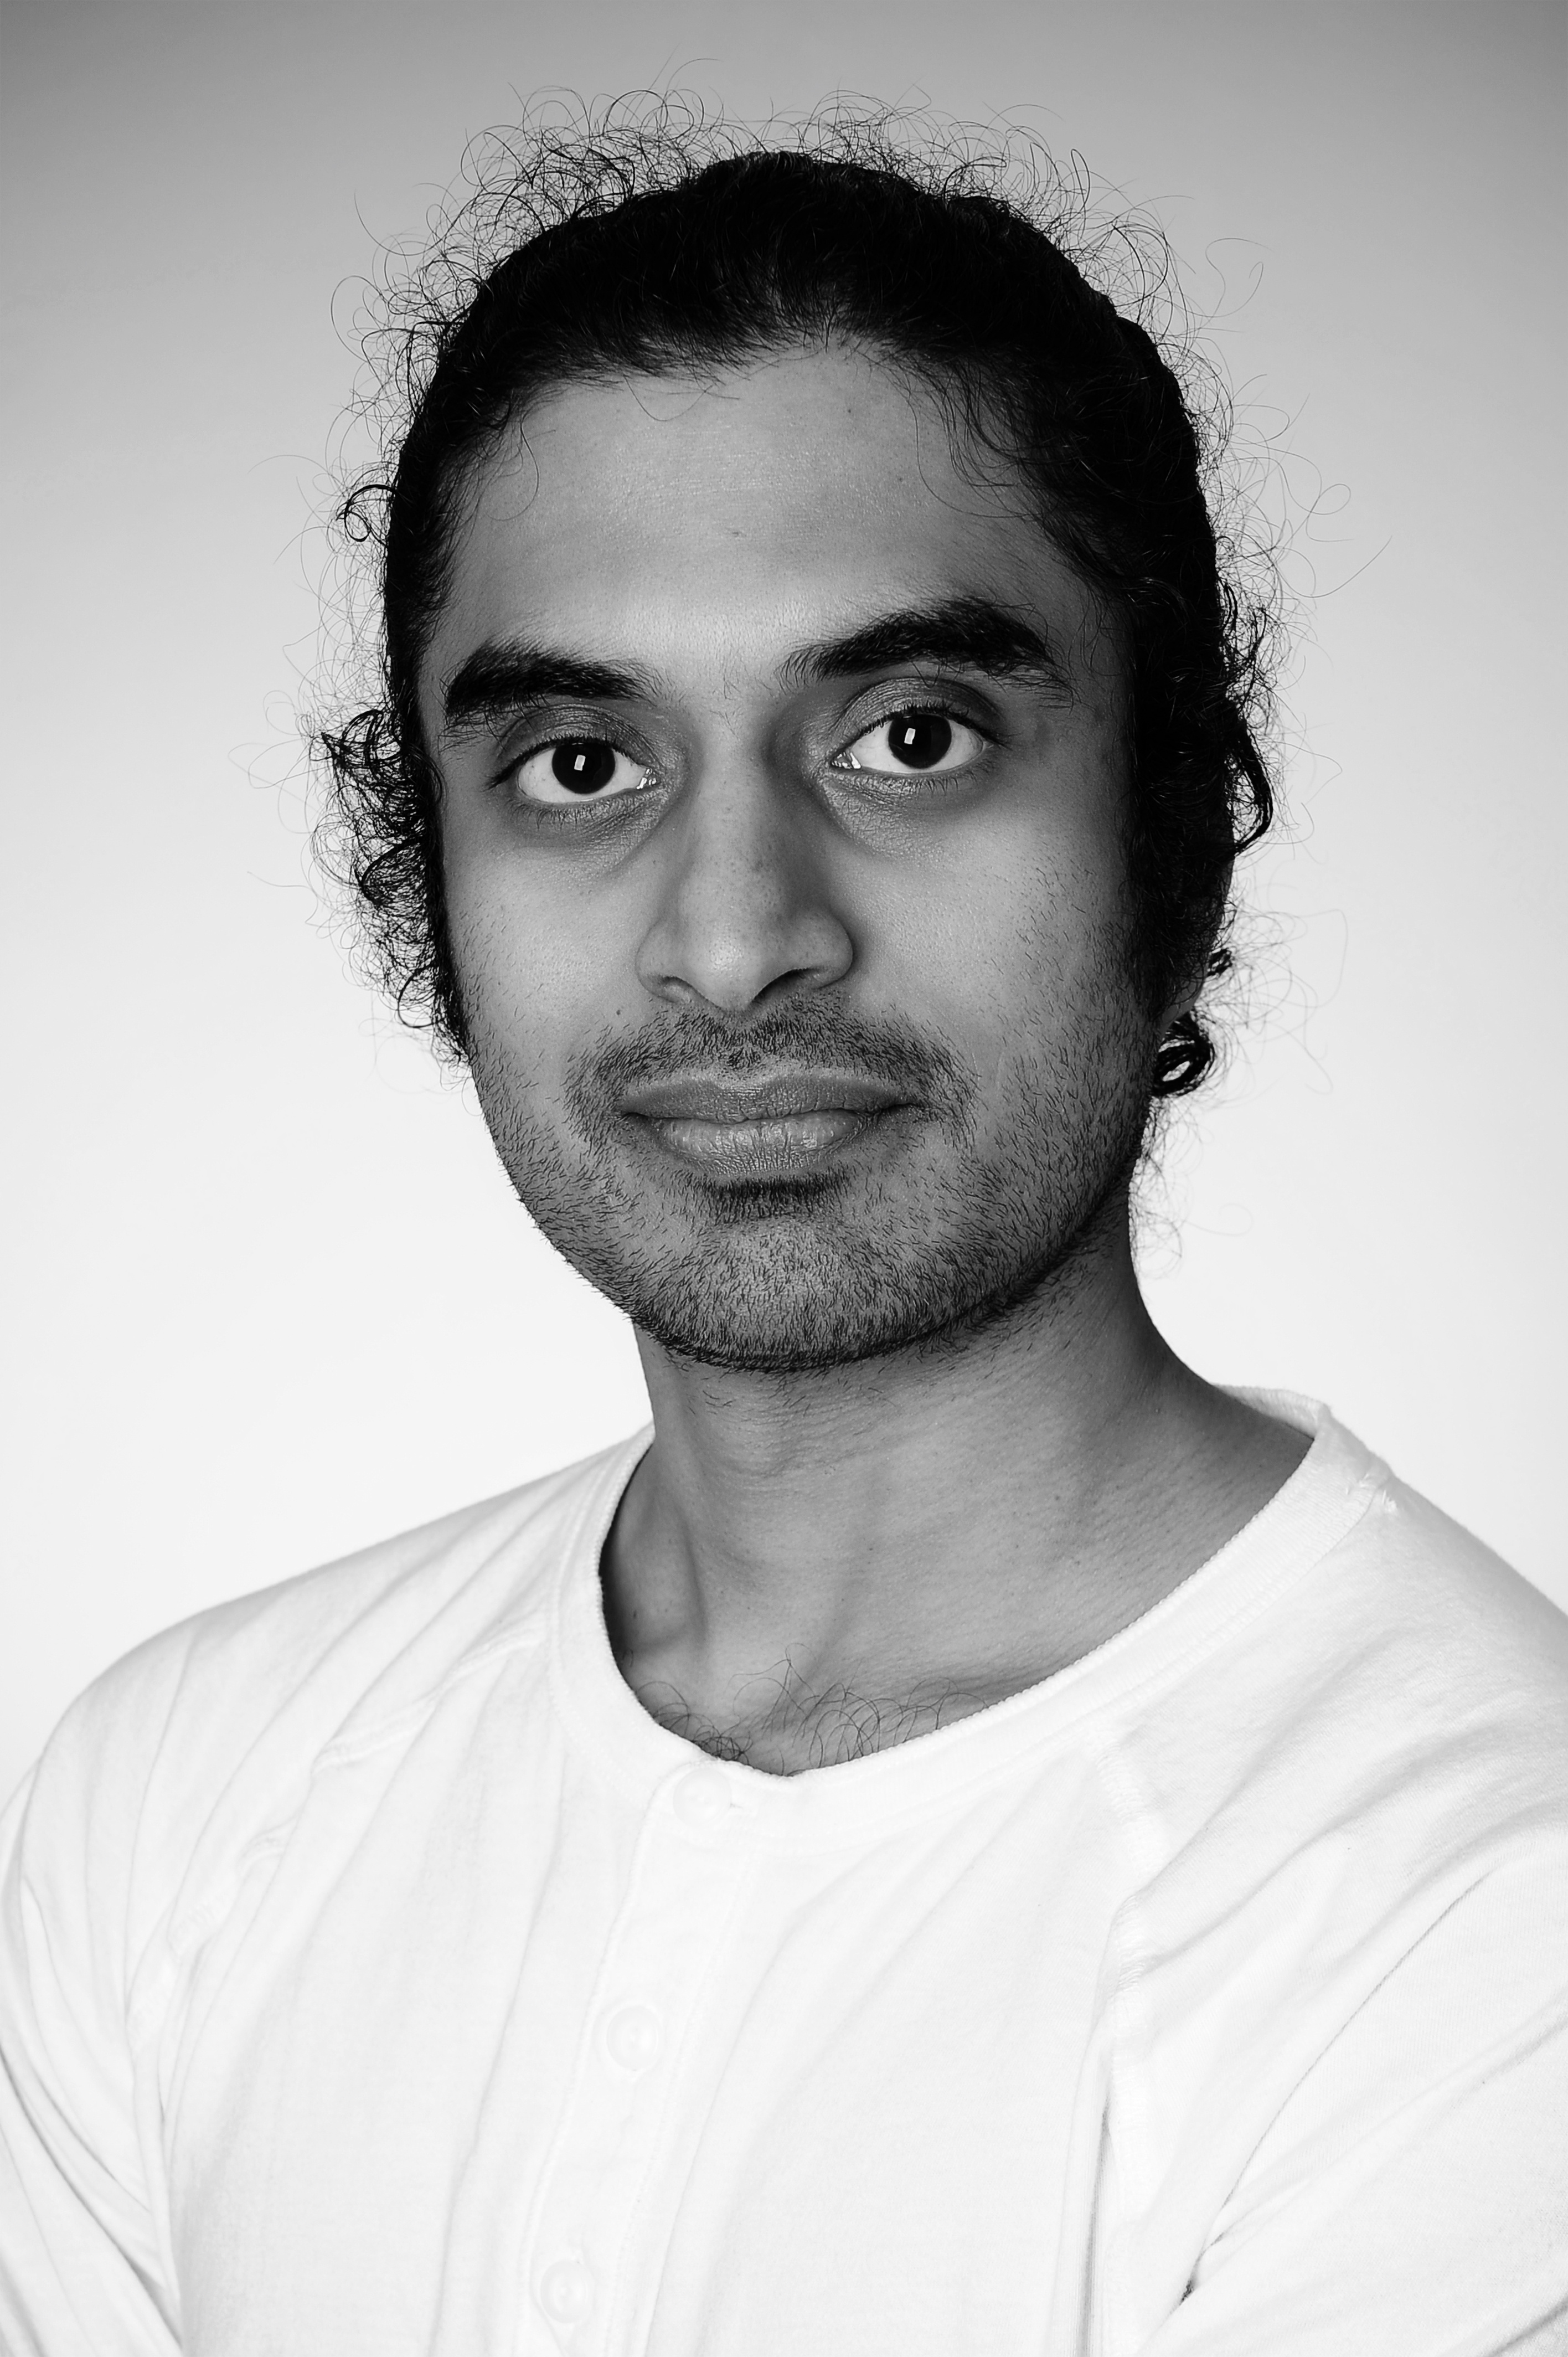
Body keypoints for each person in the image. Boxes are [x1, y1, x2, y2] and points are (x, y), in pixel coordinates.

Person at [2, 108, 1564, 2356]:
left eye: (910, 735)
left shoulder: (1490, 1916)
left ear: (1173, 834)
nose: (735, 939)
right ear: (431, 872)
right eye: (581, 764)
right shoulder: (175, 1800)